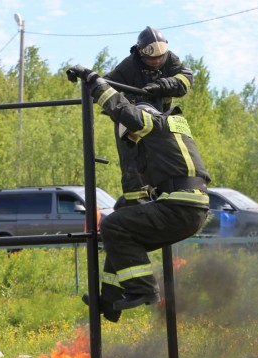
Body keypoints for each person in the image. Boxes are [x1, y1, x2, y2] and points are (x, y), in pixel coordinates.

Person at [67, 66, 210, 322]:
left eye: (132, 135)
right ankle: (110, 301)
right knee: (122, 225)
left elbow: (123, 109)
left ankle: (144, 289)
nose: (132, 140)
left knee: (113, 226)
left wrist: (94, 81)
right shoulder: (170, 129)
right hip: (188, 207)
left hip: (181, 207)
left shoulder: (152, 123)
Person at [104, 26, 194, 208]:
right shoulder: (129, 65)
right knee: (132, 162)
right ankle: (134, 204)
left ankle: (162, 196)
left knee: (166, 157)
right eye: (152, 59)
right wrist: (127, 102)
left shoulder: (170, 59)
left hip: (160, 121)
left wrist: (162, 85)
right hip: (133, 121)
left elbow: (186, 79)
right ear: (140, 52)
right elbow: (106, 84)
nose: (157, 61)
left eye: (160, 57)